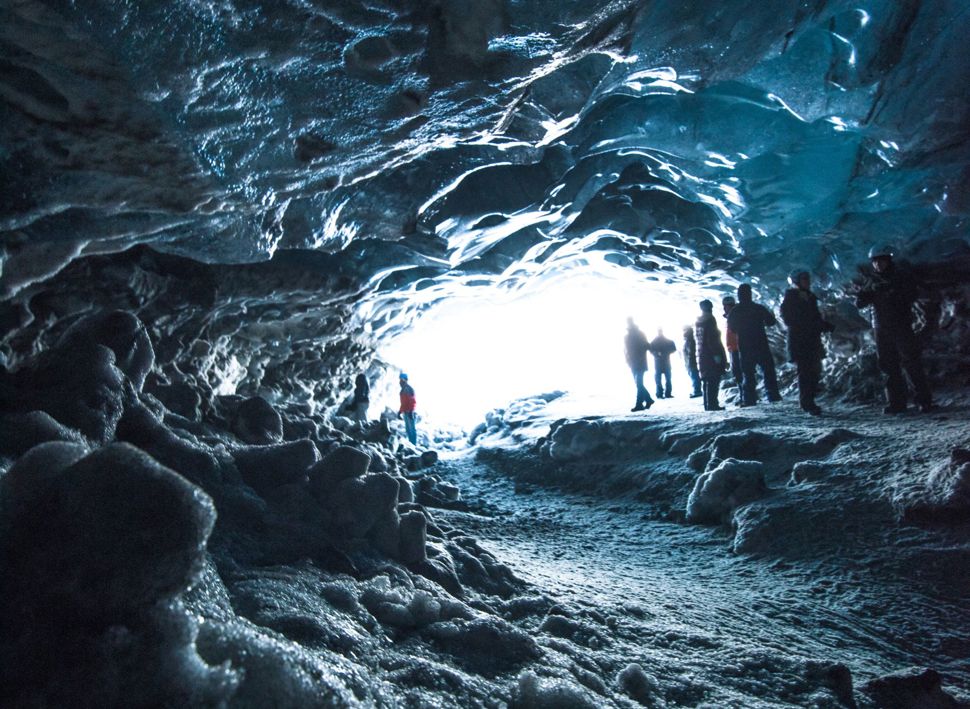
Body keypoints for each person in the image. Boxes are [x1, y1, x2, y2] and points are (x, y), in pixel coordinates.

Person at [855, 245, 934, 414]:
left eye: (881, 261)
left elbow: (911, 295)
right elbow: (860, 303)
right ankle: (896, 402)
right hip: (881, 328)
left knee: (911, 362)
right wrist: (864, 295)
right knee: (888, 366)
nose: (878, 265)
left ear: (888, 260)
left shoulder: (900, 277)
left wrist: (891, 292)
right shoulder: (872, 280)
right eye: (875, 262)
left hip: (900, 325)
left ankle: (923, 400)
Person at [780, 270, 835, 415]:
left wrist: (824, 325)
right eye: (804, 279)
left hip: (811, 340)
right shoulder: (790, 298)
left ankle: (809, 400)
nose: (808, 281)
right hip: (800, 341)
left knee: (814, 371)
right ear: (796, 281)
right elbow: (788, 319)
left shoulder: (810, 297)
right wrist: (810, 324)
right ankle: (807, 403)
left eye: (808, 279)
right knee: (805, 372)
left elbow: (814, 317)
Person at [727, 283, 781, 406]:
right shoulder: (758, 308)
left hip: (745, 345)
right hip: (760, 343)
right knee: (768, 370)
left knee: (748, 373)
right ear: (750, 294)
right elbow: (771, 321)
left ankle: (749, 399)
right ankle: (773, 395)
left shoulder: (735, 311)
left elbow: (732, 328)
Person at [695, 300, 727, 411]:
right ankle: (713, 404)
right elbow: (712, 339)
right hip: (710, 355)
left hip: (701, 354)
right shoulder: (710, 320)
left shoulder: (698, 322)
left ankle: (707, 404)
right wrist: (717, 355)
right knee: (713, 379)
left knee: (706, 380)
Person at [624, 318, 654, 411]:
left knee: (639, 383)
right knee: (638, 383)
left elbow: (646, 346)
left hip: (638, 362)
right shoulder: (635, 334)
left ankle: (639, 404)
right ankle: (648, 400)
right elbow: (626, 350)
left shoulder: (634, 335)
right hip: (635, 362)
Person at [722, 296, 742, 389]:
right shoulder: (730, 316)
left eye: (725, 306)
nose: (724, 308)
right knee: (737, 372)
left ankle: (746, 395)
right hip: (733, 348)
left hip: (738, 348)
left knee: (739, 372)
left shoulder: (735, 316)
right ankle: (744, 394)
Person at [649, 328, 677, 399]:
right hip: (664, 362)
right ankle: (666, 393)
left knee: (660, 379)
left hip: (658, 362)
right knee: (666, 378)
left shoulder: (654, 342)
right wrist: (666, 353)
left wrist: (657, 354)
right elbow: (673, 348)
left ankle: (660, 393)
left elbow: (651, 350)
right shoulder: (666, 341)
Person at [682, 326, 703, 398]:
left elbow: (690, 352)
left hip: (691, 362)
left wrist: (689, 361)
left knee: (694, 375)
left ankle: (697, 390)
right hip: (690, 361)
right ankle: (696, 390)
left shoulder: (690, 340)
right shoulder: (689, 340)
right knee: (693, 375)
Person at [399, 373, 417, 444]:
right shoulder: (403, 389)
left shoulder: (408, 389)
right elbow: (403, 403)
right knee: (408, 429)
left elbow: (412, 401)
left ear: (406, 380)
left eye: (402, 379)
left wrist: (411, 411)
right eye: (400, 379)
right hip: (405, 412)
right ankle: (411, 443)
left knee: (411, 429)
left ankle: (413, 444)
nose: (400, 381)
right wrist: (400, 411)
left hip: (409, 412)